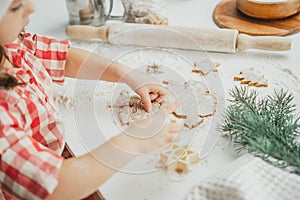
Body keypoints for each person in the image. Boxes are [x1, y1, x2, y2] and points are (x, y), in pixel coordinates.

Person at [0, 0, 180, 199]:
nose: (32, 8)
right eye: (15, 7)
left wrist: (127, 75)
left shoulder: (10, 43)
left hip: (55, 157)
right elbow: (56, 188)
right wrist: (132, 142)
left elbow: (64, 58)